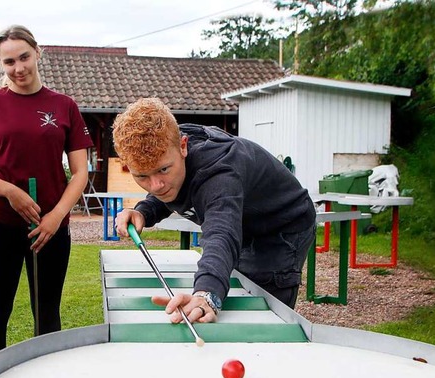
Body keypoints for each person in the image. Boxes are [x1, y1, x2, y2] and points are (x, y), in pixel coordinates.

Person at [113, 98, 316, 323]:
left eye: (163, 169)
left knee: (263, 310)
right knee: (235, 279)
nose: (155, 185)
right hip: (244, 222)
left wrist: (206, 293)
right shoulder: (168, 158)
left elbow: (222, 233)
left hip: (284, 225)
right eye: (142, 176)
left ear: (183, 146)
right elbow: (166, 192)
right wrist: (144, 211)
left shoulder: (219, 173)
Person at [0, 25, 93, 359]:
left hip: (49, 228)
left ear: (38, 53)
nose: (19, 67)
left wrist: (56, 217)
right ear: (0, 64)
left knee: (47, 318)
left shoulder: (64, 105)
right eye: (9, 62)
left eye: (24, 57)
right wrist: (9, 190)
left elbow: (81, 172)